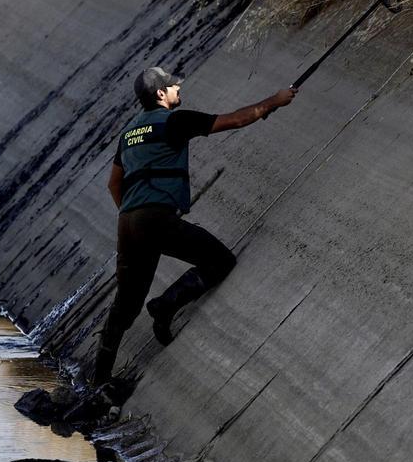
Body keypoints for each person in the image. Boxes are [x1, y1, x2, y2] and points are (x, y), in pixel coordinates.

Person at [92, 67, 296, 388]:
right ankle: (166, 304)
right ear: (160, 94)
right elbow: (234, 120)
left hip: (127, 223)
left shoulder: (129, 132)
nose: (177, 88)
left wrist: (134, 217)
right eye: (172, 85)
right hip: (155, 219)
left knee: (125, 304)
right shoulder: (175, 121)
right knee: (220, 261)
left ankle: (99, 378)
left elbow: (113, 184)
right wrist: (275, 100)